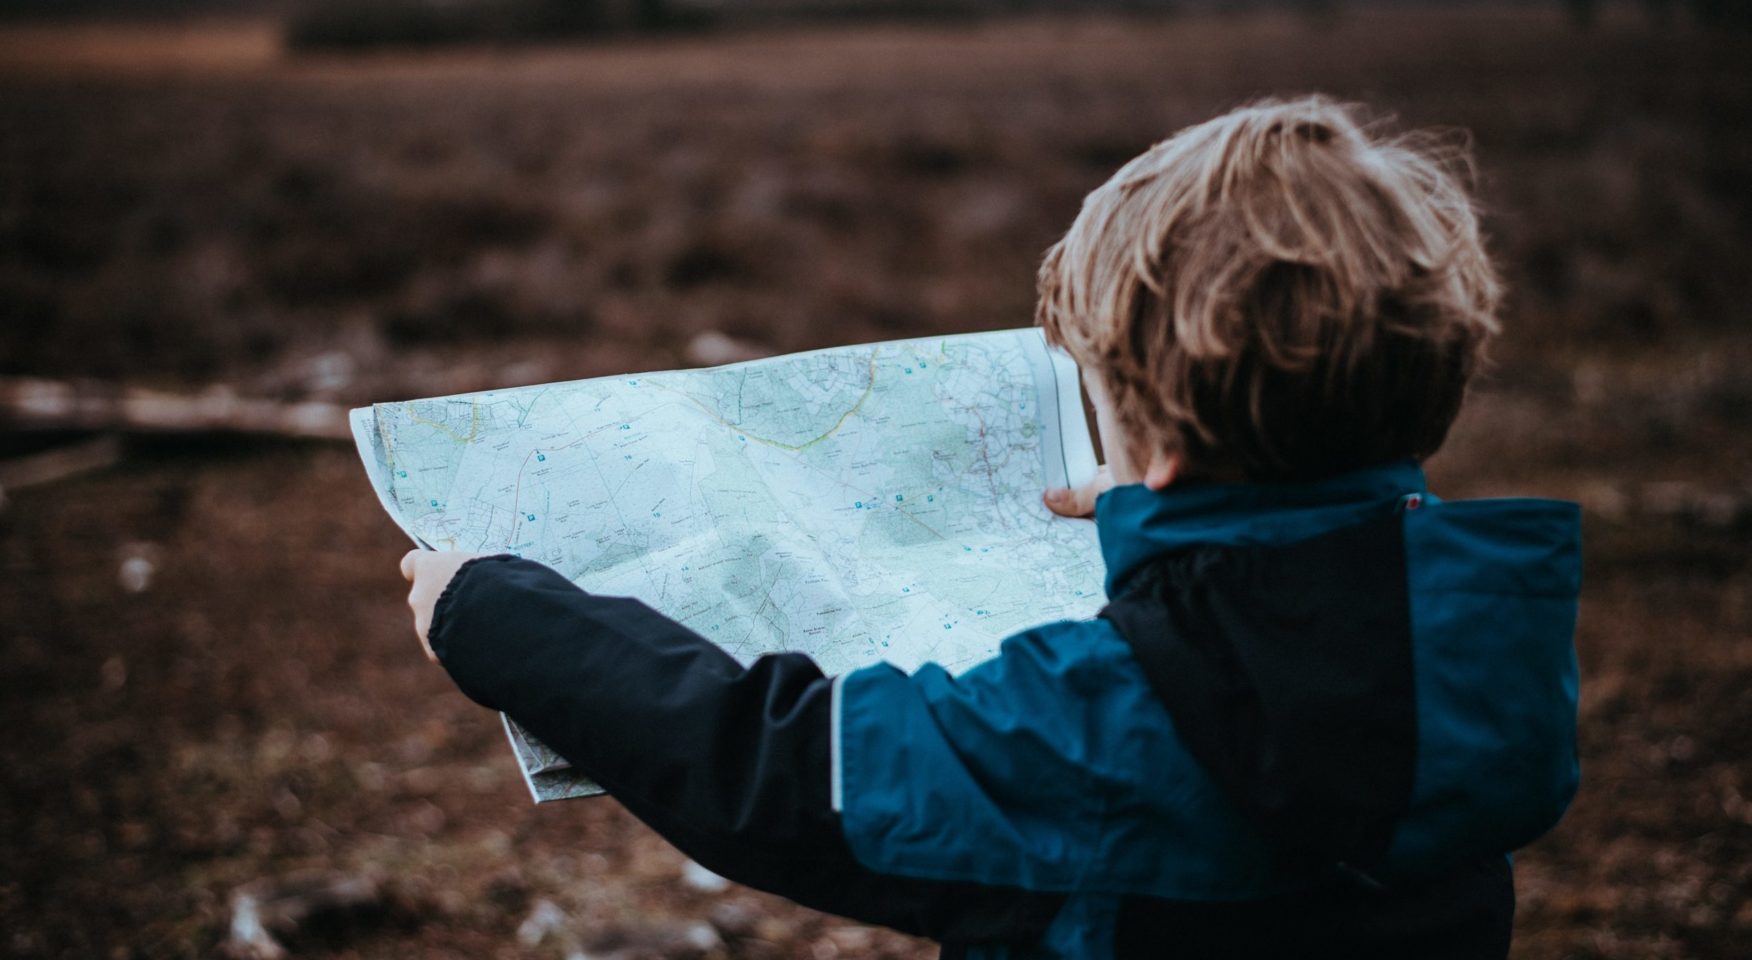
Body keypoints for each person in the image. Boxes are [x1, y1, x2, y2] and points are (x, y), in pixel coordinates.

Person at [398, 96, 1581, 959]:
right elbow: (1303, 607)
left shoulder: (1095, 724)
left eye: (1101, 401)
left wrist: (496, 614)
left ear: (1158, 442)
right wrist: (1163, 520)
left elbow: (783, 773)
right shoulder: (1484, 653)